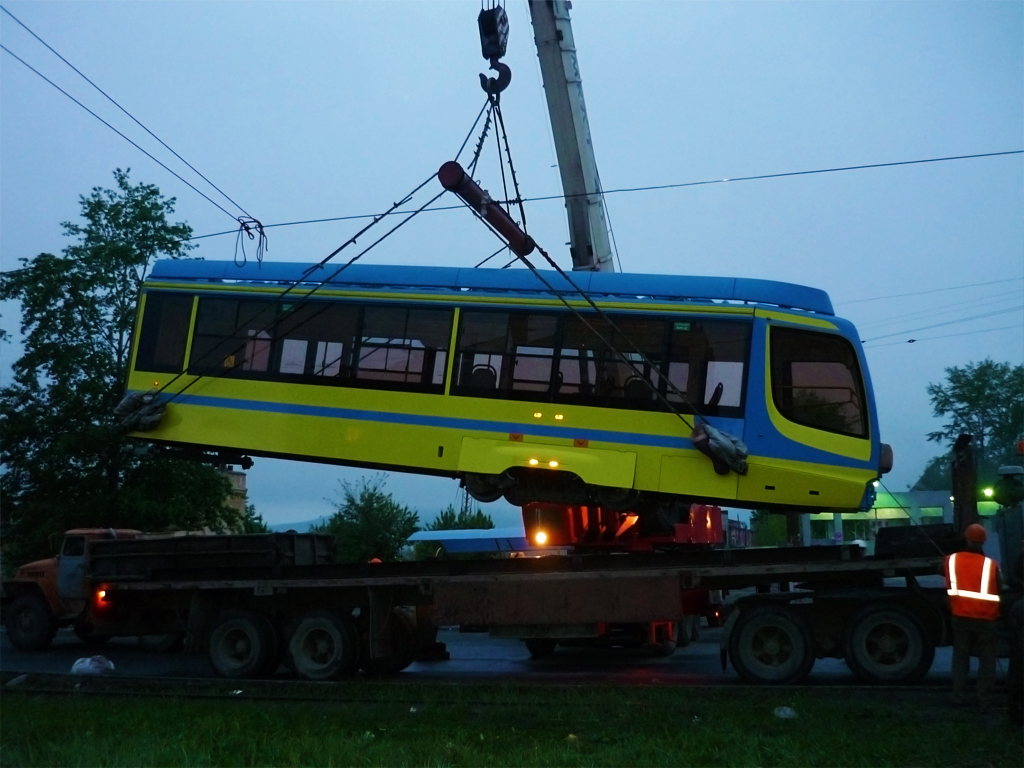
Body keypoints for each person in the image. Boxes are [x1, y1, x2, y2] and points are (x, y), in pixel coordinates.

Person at [943, 523, 1001, 707]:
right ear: (983, 542)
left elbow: (941, 571)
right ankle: (984, 698)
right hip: (985, 618)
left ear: (966, 538)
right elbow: (999, 586)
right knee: (987, 659)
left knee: (961, 656)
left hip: (960, 615)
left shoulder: (951, 560)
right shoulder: (990, 565)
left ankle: (958, 695)